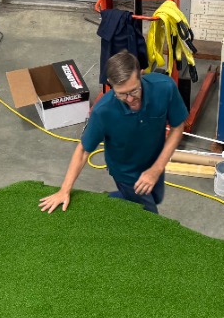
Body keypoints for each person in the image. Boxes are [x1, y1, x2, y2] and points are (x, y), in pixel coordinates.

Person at [39, 51, 188, 215]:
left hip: (155, 160)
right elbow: (83, 150)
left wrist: (156, 169)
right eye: (122, 94)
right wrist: (64, 190)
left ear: (141, 74)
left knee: (157, 197)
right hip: (126, 172)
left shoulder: (165, 87)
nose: (130, 99)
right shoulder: (103, 112)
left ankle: (112, 199)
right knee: (149, 215)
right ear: (110, 84)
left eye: (134, 91)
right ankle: (124, 198)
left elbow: (177, 127)